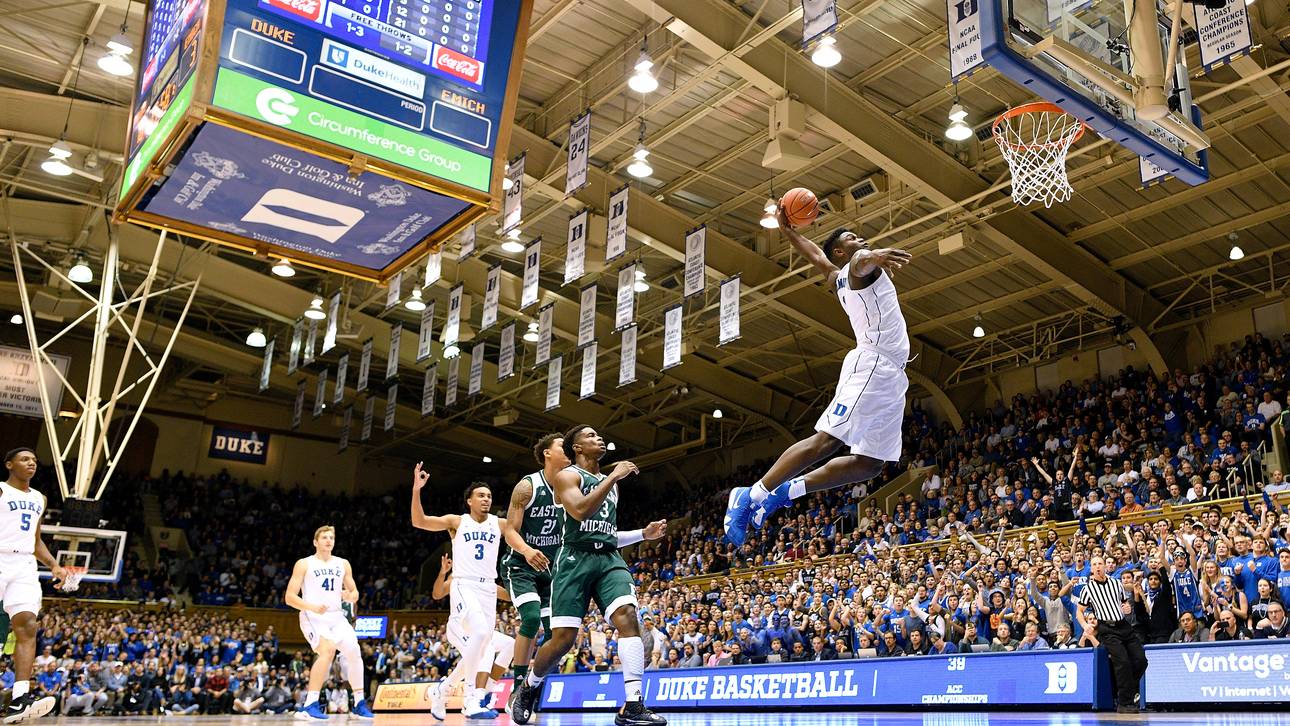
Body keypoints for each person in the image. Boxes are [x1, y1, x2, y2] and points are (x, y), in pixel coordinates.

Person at [724, 214, 911, 546]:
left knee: (870, 464)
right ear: (842, 252)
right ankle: (750, 494)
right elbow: (860, 260)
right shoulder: (858, 269)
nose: (861, 240)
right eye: (852, 237)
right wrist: (875, 255)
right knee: (828, 441)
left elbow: (817, 257)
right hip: (872, 364)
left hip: (892, 375)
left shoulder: (837, 276)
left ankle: (785, 491)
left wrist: (788, 232)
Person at [509, 425, 667, 726]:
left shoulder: (611, 486)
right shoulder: (567, 477)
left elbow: (606, 533)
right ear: (577, 448)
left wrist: (642, 534)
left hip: (607, 559)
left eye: (599, 435)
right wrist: (612, 476)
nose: (600, 439)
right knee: (563, 640)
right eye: (591, 436)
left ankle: (632, 705)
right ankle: (529, 686)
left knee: (627, 616)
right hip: (574, 559)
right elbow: (580, 511)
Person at [409, 465, 548, 721]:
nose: (486, 499)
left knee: (493, 643)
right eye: (481, 495)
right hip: (463, 584)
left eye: (489, 496)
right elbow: (419, 521)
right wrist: (417, 490)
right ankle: (472, 699)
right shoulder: (457, 522)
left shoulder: (500, 523)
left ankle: (444, 689)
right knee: (482, 638)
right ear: (469, 500)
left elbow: (527, 529)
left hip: (487, 587)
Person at [1, 447, 68, 724]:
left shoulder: (40, 498)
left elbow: (36, 539)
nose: (31, 464)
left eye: (35, 461)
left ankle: (19, 698)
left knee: (28, 624)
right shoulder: (2, 491)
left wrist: (53, 564)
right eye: (25, 459)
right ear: (9, 465)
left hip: (25, 564)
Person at [282, 525, 375, 721]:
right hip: (312, 615)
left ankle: (359, 703)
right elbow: (289, 598)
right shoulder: (304, 564)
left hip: (337, 616)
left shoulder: (343, 564)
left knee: (354, 651)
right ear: (316, 542)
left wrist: (350, 596)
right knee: (328, 650)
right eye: (324, 537)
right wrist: (312, 607)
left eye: (331, 537)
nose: (328, 540)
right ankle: (309, 704)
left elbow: (355, 593)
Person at [430, 555, 516, 719]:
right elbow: (437, 593)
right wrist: (442, 572)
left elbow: (508, 596)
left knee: (509, 644)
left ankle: (473, 690)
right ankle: (474, 697)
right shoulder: (459, 578)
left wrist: (523, 584)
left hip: (480, 629)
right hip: (459, 627)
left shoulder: (485, 580)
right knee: (486, 648)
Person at [1077, 555, 1148, 714]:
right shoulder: (1087, 589)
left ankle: (1124, 688)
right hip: (1107, 629)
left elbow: (1123, 601)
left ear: (1105, 566)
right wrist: (1085, 624)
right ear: (1091, 568)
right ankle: (1124, 703)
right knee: (1122, 662)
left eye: (1100, 563)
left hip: (1124, 626)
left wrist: (1126, 607)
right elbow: (1079, 612)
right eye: (1094, 564)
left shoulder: (1117, 583)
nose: (1097, 567)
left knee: (1141, 660)